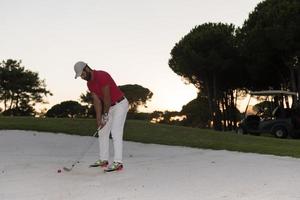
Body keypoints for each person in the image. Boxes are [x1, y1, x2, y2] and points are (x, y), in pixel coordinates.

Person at [74, 61, 129, 172]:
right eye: (81, 76)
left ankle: (118, 162)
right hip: (110, 107)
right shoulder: (89, 84)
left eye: (83, 75)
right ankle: (104, 160)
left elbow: (107, 97)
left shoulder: (102, 75)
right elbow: (97, 101)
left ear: (87, 69)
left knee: (115, 132)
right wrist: (99, 119)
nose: (83, 78)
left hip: (120, 104)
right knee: (102, 131)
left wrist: (105, 115)